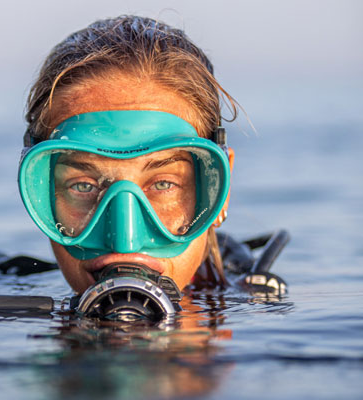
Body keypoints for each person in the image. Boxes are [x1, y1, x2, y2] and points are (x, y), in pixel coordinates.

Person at [18, 15, 284, 297]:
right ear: (41, 194)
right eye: (84, 186)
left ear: (220, 190)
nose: (124, 243)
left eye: (163, 184)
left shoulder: (259, 300)